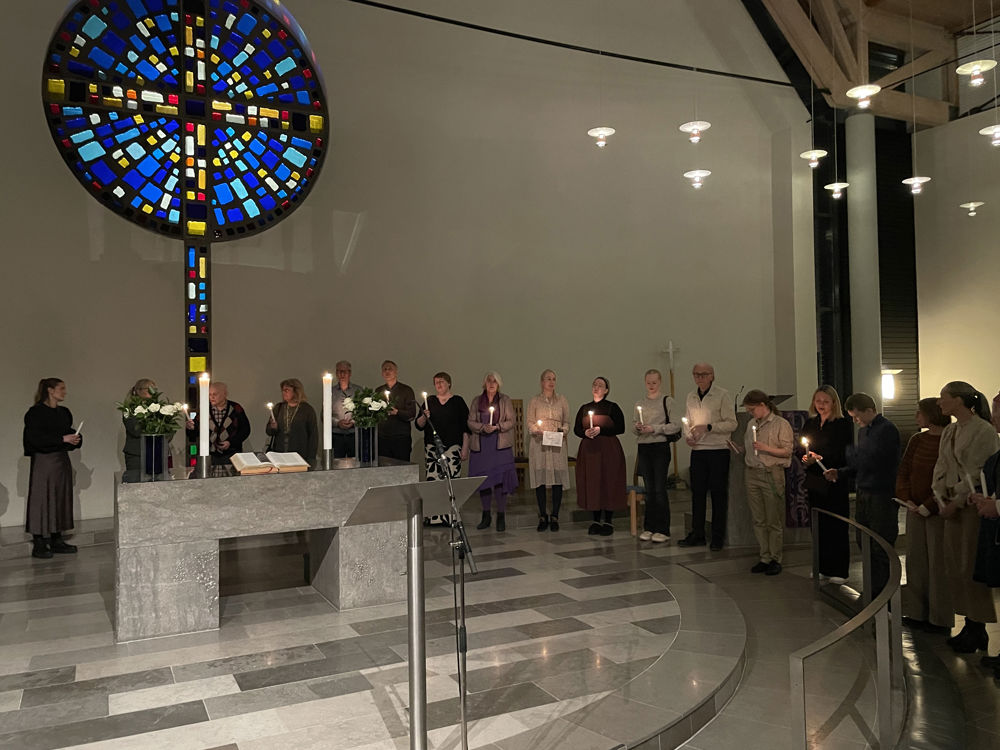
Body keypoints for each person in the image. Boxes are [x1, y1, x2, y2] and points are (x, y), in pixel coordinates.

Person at [932, 381, 1000, 653]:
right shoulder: (950, 430)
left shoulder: (983, 430)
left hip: (971, 505)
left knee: (969, 563)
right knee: (954, 566)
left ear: (959, 400)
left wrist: (957, 499)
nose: (939, 402)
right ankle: (968, 623)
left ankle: (978, 624)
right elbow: (942, 464)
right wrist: (940, 494)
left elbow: (979, 471)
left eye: (944, 397)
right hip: (951, 503)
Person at [823, 393, 900, 599]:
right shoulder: (863, 432)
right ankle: (872, 588)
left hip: (881, 493)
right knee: (864, 541)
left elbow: (878, 461)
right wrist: (840, 472)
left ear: (869, 410)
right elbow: (859, 464)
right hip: (864, 491)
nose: (856, 421)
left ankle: (882, 594)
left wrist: (853, 455)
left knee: (880, 544)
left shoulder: (887, 429)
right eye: (853, 417)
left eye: (857, 416)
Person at [897, 398, 952, 633]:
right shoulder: (917, 440)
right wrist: (906, 497)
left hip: (938, 509)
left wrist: (929, 505)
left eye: (919, 412)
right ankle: (917, 612)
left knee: (938, 564)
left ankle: (940, 618)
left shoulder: (949, 439)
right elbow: (904, 470)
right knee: (916, 560)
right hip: (914, 508)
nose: (916, 417)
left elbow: (948, 477)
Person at [679, 363, 737, 550]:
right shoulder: (691, 396)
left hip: (718, 449)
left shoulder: (722, 395)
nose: (700, 378)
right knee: (697, 493)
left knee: (718, 494)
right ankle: (698, 533)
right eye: (696, 374)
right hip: (698, 451)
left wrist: (709, 427)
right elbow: (687, 421)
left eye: (703, 374)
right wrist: (688, 436)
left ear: (712, 376)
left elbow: (732, 423)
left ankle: (718, 536)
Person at [23, 378, 82, 559]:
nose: (64, 392)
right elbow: (34, 438)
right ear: (50, 390)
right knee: (41, 498)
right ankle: (39, 541)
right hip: (44, 460)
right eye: (61, 388)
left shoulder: (64, 412)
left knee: (60, 497)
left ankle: (57, 538)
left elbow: (67, 432)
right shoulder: (35, 413)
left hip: (61, 460)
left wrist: (75, 439)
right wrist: (62, 439)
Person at [800, 385, 854, 584]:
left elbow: (843, 452)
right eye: (818, 401)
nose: (821, 405)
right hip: (815, 480)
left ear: (833, 403)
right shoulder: (811, 423)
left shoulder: (842, 424)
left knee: (836, 525)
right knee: (818, 525)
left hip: (834, 479)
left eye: (825, 401)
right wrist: (806, 458)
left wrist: (821, 457)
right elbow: (802, 448)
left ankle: (839, 570)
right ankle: (822, 567)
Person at [741, 389, 794, 575]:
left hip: (771, 473)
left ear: (763, 405)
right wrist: (739, 448)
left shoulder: (780, 424)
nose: (750, 413)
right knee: (759, 519)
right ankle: (764, 557)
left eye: (752, 409)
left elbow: (787, 451)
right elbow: (750, 448)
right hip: (752, 473)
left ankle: (775, 558)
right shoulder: (751, 424)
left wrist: (766, 448)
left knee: (773, 519)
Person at [574, 377, 627, 536]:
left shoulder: (612, 407)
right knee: (593, 483)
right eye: (594, 384)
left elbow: (621, 427)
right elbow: (577, 429)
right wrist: (585, 432)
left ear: (606, 390)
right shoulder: (584, 408)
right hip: (590, 452)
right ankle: (596, 520)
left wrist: (601, 430)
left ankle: (608, 521)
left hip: (609, 451)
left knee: (609, 482)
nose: (596, 387)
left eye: (600, 385)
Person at [415, 372, 469, 526]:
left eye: (441, 381)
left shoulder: (457, 401)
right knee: (434, 482)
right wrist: (424, 416)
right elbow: (419, 425)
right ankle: (434, 517)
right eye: (436, 382)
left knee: (451, 482)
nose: (438, 384)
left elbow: (466, 427)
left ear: (449, 383)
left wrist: (465, 447)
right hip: (432, 448)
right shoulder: (429, 401)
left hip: (453, 446)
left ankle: (452, 517)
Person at [633, 369, 680, 543]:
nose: (651, 385)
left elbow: (675, 425)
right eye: (648, 382)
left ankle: (663, 529)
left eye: (654, 382)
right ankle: (649, 527)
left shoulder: (667, 401)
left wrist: (655, 428)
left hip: (660, 446)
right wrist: (637, 427)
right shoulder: (640, 403)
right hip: (644, 447)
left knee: (659, 488)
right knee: (649, 488)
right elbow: (633, 426)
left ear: (660, 382)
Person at [468, 371, 518, 531]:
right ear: (484, 383)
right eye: (489, 381)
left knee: (499, 480)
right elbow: (470, 422)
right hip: (482, 445)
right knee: (484, 481)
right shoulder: (477, 401)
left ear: (498, 384)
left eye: (494, 381)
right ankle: (486, 515)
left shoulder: (504, 400)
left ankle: (501, 515)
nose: (491, 384)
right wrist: (483, 427)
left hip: (499, 446)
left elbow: (511, 421)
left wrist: (497, 427)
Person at [527, 369, 571, 532]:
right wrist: (536, 430)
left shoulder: (562, 400)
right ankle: (542, 515)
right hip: (540, 443)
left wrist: (563, 431)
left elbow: (567, 422)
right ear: (542, 382)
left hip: (557, 443)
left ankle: (555, 515)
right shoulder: (534, 401)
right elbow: (530, 422)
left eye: (553, 379)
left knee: (557, 477)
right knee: (541, 477)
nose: (551, 382)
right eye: (548, 379)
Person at [184, 382, 251, 465]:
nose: (211, 397)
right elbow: (196, 432)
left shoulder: (235, 408)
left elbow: (245, 430)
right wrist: (191, 428)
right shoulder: (205, 409)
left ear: (225, 394)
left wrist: (231, 442)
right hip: (210, 454)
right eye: (209, 394)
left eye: (215, 394)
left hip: (232, 454)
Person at [265, 378, 318, 467]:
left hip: (299, 455)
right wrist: (273, 427)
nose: (283, 393)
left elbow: (313, 436)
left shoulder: (307, 410)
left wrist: (311, 458)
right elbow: (269, 431)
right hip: (280, 454)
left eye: (287, 390)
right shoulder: (279, 408)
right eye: (282, 390)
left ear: (296, 391)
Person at [377, 360, 416, 461]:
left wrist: (397, 412)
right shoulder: (378, 391)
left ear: (396, 372)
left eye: (390, 369)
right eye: (385, 369)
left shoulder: (406, 390)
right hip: (383, 438)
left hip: (401, 438)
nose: (387, 371)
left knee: (402, 466)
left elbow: (411, 414)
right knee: (384, 465)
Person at [122, 378, 156, 479]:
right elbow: (135, 430)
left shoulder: (157, 408)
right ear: (138, 391)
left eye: (154, 389)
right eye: (149, 389)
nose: (153, 392)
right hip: (137, 455)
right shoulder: (128, 409)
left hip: (155, 453)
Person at [331, 361, 362, 458]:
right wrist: (338, 422)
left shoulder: (358, 391)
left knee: (355, 461)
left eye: (345, 371)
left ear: (350, 373)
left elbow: (363, 412)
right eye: (339, 371)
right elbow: (324, 415)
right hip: (336, 435)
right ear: (336, 373)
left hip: (354, 434)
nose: (342, 374)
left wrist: (353, 421)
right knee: (336, 462)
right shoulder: (330, 391)